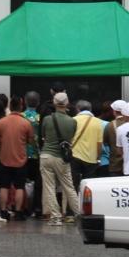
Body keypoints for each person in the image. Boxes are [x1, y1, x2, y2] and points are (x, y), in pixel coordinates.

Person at [39, 92, 79, 225]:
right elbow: (70, 138)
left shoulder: (47, 119)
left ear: (54, 103)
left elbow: (43, 136)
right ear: (67, 103)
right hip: (62, 158)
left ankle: (55, 217)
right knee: (69, 187)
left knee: (49, 187)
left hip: (46, 155)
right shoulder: (73, 121)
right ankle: (79, 214)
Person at [0, 95, 35, 219]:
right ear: (21, 106)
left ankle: (3, 211)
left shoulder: (1, 122)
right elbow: (30, 140)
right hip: (20, 159)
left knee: (4, 186)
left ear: (10, 106)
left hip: (4, 159)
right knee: (19, 186)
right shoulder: (26, 123)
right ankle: (18, 212)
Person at [70, 99, 104, 189]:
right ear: (90, 109)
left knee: (74, 184)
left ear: (77, 109)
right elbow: (99, 143)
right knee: (88, 185)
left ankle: (75, 198)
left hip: (75, 156)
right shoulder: (98, 122)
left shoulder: (73, 120)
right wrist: (98, 158)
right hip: (91, 159)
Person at [22, 92, 42, 220]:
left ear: (24, 101)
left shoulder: (20, 117)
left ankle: (24, 208)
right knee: (38, 183)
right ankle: (37, 208)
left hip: (22, 154)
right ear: (38, 102)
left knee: (22, 182)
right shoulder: (41, 118)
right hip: (37, 155)